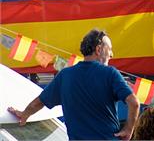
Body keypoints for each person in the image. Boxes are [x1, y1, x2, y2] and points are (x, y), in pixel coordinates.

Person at [7, 29, 139, 141]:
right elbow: (134, 103)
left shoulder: (65, 75)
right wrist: (128, 129)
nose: (111, 54)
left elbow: (38, 103)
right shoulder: (110, 73)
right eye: (109, 49)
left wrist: (24, 114)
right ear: (98, 49)